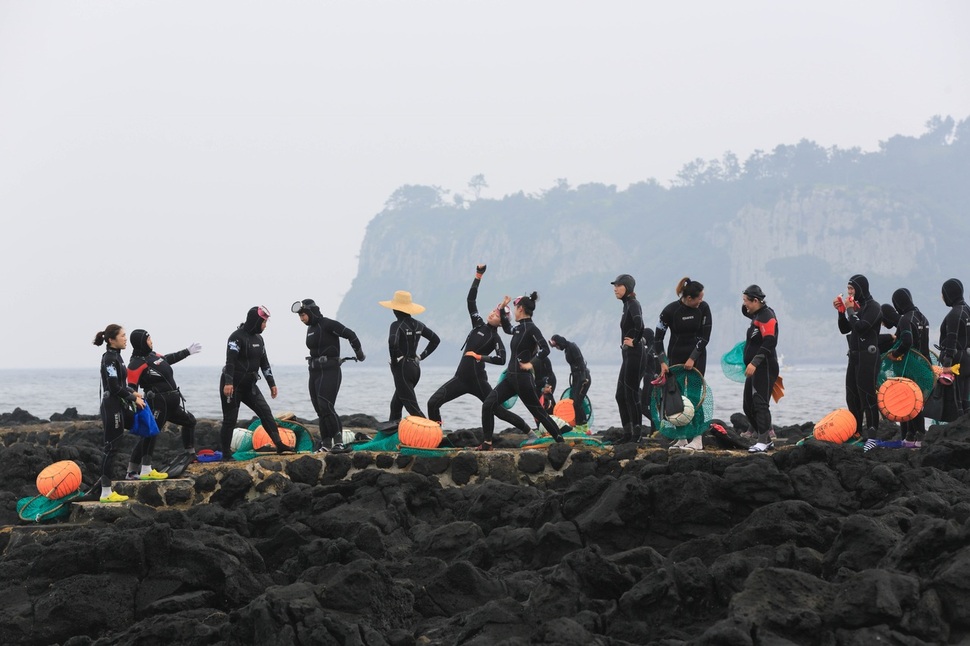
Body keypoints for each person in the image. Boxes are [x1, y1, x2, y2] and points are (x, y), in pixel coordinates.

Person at [427, 264, 533, 435]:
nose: (492, 314)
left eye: (497, 314)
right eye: (493, 310)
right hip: (460, 379)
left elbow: (501, 359)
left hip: (478, 382)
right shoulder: (477, 324)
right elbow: (470, 301)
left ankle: (529, 432)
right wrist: (478, 276)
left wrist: (479, 357)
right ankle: (435, 435)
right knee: (432, 403)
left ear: (502, 321)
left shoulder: (495, 338)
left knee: (497, 410)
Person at [480, 292, 568, 450]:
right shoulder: (518, 328)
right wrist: (501, 306)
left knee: (540, 413)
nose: (513, 312)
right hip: (510, 378)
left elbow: (545, 349)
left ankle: (561, 442)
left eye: (514, 308)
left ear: (520, 309)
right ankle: (487, 444)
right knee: (488, 404)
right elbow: (506, 328)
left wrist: (531, 364)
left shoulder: (532, 329)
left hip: (522, 379)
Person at [292, 298, 365, 451]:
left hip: (330, 370)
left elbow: (350, 334)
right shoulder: (310, 328)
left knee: (326, 405)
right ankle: (326, 444)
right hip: (314, 371)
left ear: (311, 312)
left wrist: (359, 354)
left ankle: (339, 442)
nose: (301, 318)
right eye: (299, 316)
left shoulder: (328, 324)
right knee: (319, 409)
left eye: (303, 315)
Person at [126, 330, 201, 478]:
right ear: (141, 342)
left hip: (172, 405)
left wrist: (187, 352)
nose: (151, 341)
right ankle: (135, 470)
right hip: (157, 404)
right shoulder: (135, 364)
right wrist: (135, 405)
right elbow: (131, 388)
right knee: (150, 434)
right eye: (148, 339)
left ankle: (190, 454)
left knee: (190, 421)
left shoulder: (155, 356)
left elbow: (169, 358)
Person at [219, 306, 288, 457]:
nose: (265, 325)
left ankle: (279, 445)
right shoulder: (236, 337)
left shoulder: (259, 339)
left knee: (265, 412)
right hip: (233, 385)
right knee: (230, 419)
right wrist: (228, 382)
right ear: (256, 321)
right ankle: (225, 454)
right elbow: (230, 361)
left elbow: (264, 362)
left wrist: (272, 383)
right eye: (264, 322)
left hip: (249, 385)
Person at [93, 324, 144, 503]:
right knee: (112, 448)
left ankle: (141, 469)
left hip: (120, 405)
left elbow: (120, 384)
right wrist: (132, 398)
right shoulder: (109, 359)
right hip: (112, 407)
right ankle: (106, 492)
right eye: (122, 335)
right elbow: (113, 387)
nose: (125, 338)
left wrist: (133, 392)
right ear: (111, 340)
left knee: (146, 428)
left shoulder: (118, 357)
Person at [834, 274, 882, 448]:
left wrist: (850, 310)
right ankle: (857, 432)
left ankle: (873, 437)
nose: (849, 292)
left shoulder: (873, 307)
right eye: (848, 289)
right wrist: (841, 312)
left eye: (852, 289)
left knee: (867, 397)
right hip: (854, 356)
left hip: (868, 357)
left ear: (861, 289)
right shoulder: (856, 307)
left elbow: (862, 327)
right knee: (852, 396)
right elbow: (845, 329)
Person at [380, 290, 440, 421]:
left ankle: (433, 433)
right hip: (415, 368)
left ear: (395, 309)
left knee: (412, 407)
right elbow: (435, 340)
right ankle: (393, 433)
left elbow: (392, 342)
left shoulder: (396, 325)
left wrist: (395, 360)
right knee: (396, 404)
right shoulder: (418, 324)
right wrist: (421, 356)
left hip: (402, 369)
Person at [887, 288, 930, 445]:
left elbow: (907, 341)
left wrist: (895, 354)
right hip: (925, 367)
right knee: (918, 402)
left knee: (910, 403)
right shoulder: (922, 317)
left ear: (898, 303)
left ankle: (916, 437)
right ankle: (912, 436)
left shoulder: (905, 319)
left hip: (909, 367)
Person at [740, 286, 780, 453]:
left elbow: (770, 342)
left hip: (765, 366)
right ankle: (766, 439)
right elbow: (746, 311)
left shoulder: (767, 316)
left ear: (755, 301)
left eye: (746, 301)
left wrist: (755, 362)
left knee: (760, 403)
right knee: (747, 405)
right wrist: (746, 302)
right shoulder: (756, 314)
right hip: (755, 369)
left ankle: (762, 441)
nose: (744, 305)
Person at [654, 277, 712, 377]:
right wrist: (663, 362)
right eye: (699, 298)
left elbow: (705, 337)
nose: (701, 301)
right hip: (676, 355)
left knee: (694, 391)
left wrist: (692, 358)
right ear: (689, 298)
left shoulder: (703, 308)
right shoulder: (670, 311)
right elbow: (658, 339)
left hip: (697, 356)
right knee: (674, 391)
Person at [613, 274, 645, 444]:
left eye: (618, 285)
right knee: (620, 395)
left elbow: (640, 325)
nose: (615, 289)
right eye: (615, 286)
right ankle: (627, 434)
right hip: (627, 355)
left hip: (635, 354)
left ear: (627, 287)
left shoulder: (633, 304)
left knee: (631, 394)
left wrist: (636, 341)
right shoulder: (626, 305)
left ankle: (637, 435)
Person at [938, 278, 970, 419]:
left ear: (950, 294)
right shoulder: (967, 310)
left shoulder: (954, 314)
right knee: (965, 399)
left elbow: (952, 340)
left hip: (957, 362)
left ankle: (958, 430)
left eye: (943, 293)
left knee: (956, 401)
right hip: (967, 359)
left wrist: (946, 364)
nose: (942, 297)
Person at [549, 334, 592, 432]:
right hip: (576, 377)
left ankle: (583, 425)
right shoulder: (567, 349)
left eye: (556, 346)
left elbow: (580, 362)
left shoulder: (572, 346)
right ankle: (578, 424)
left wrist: (584, 379)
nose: (557, 348)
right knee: (574, 400)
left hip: (582, 376)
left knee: (577, 402)